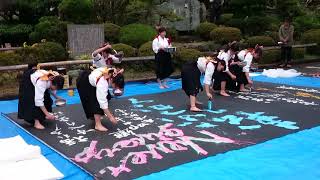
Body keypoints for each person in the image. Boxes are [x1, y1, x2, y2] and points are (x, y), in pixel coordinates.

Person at [76, 67, 125, 132]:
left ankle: (95, 117)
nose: (115, 88)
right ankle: (97, 125)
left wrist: (120, 90)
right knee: (96, 102)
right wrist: (110, 117)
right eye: (115, 87)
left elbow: (118, 82)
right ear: (112, 81)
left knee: (102, 98)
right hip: (84, 82)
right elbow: (102, 102)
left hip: (91, 79)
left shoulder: (112, 72)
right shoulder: (103, 83)